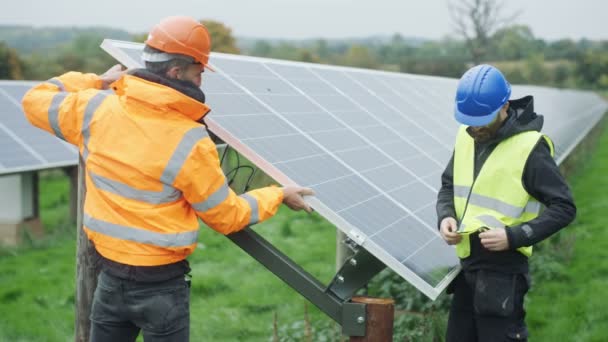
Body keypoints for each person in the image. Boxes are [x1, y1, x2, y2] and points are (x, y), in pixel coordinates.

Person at [22, 16, 314, 342]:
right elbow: (227, 216)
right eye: (199, 71)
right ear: (176, 73)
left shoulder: (94, 109)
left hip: (110, 280)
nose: (201, 80)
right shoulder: (189, 140)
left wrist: (99, 81)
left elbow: (35, 99)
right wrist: (276, 194)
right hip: (162, 288)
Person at [436, 64, 576, 341]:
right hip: (467, 269)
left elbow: (564, 207)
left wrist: (513, 236)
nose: (475, 128)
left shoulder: (530, 148)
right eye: (470, 120)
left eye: (482, 119)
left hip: (503, 275)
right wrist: (445, 216)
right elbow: (448, 186)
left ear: (505, 107)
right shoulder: (467, 136)